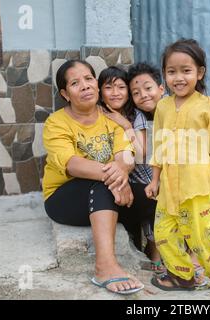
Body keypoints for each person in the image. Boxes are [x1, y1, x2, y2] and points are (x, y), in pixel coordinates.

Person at [42, 59, 144, 295]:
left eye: (89, 79)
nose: (85, 86)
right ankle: (104, 267)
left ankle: (173, 258)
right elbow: (72, 164)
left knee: (152, 194)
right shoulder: (56, 122)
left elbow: (125, 155)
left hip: (109, 190)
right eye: (76, 83)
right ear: (65, 94)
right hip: (63, 200)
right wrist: (116, 178)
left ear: (97, 86)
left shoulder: (111, 116)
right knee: (100, 185)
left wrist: (122, 174)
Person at [145, 39, 210, 294]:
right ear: (164, 74)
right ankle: (181, 276)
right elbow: (158, 146)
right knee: (163, 233)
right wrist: (154, 180)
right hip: (168, 188)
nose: (178, 78)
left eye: (186, 70)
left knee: (202, 235)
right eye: (171, 71)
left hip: (197, 186)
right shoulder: (162, 106)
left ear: (200, 73)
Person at [128, 62, 207, 285]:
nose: (143, 95)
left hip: (185, 175)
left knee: (191, 210)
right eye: (136, 92)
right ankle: (156, 252)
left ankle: (193, 257)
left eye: (148, 88)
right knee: (154, 203)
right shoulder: (139, 118)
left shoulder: (180, 110)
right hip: (153, 177)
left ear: (161, 88)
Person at [97, 65, 166, 273]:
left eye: (121, 87)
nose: (116, 93)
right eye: (109, 88)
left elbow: (142, 153)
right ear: (100, 92)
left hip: (142, 175)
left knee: (150, 200)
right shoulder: (97, 114)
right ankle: (136, 250)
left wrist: (125, 126)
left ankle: (155, 252)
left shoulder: (136, 115)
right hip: (113, 178)